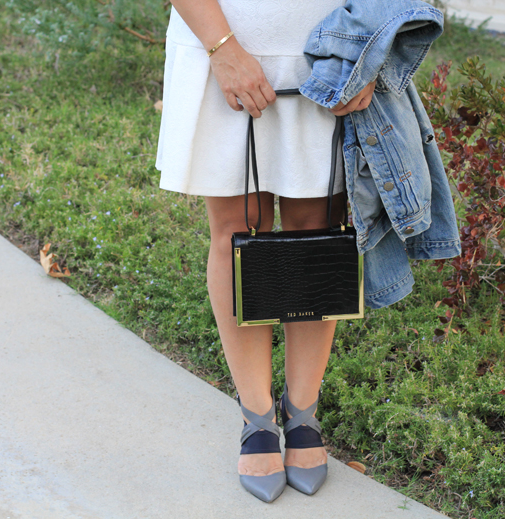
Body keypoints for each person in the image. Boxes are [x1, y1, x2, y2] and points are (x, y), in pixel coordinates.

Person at [155, 0, 377, 503]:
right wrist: (223, 48)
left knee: (316, 228)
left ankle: (302, 413)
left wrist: (371, 49)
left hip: (329, 53)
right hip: (224, 46)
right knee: (239, 229)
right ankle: (256, 419)